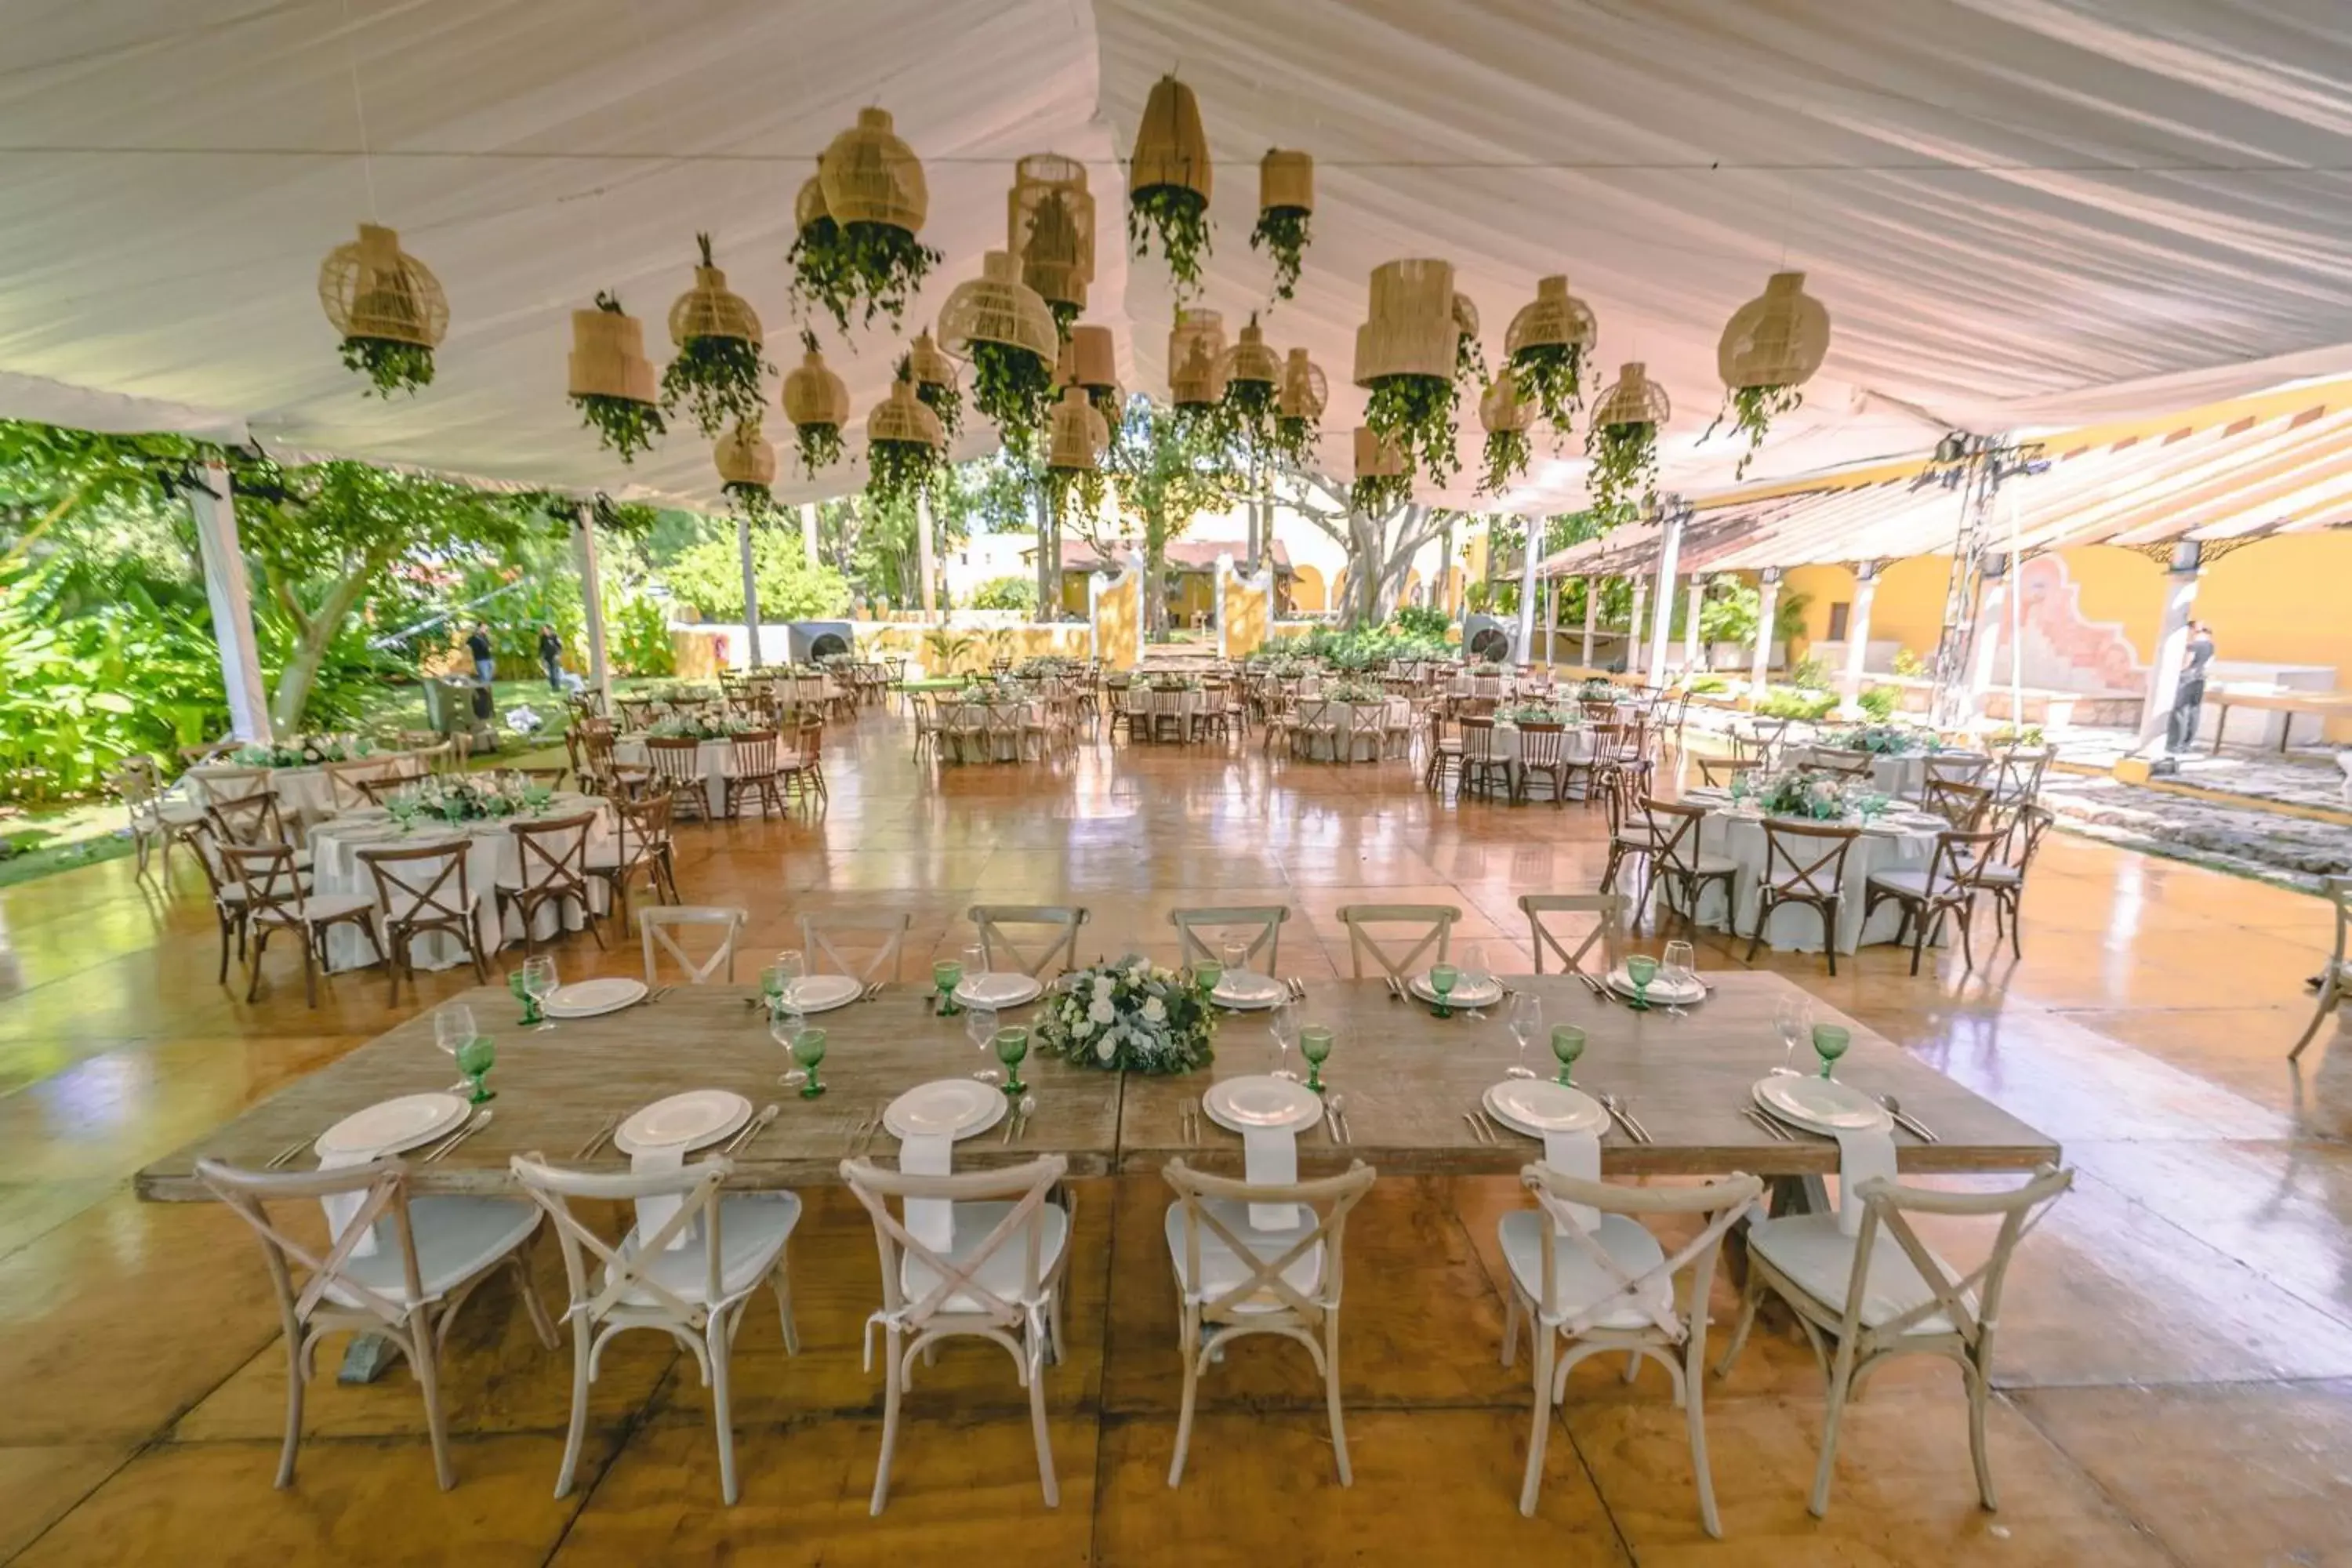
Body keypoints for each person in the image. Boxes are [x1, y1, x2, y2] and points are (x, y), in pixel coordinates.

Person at [2165, 620, 2216, 753]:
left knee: (2180, 711)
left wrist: (2177, 671)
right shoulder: (2210, 646)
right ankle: (2188, 743)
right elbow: (2209, 663)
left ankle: (2175, 744)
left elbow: (2186, 663)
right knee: (2194, 710)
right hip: (2200, 678)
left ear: (2193, 630)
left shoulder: (2193, 646)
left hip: (2187, 679)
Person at [464, 623, 496, 688]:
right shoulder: (472, 638)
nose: (486, 630)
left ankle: (483, 687)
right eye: (484, 628)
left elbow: (489, 646)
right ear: (479, 628)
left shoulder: (484, 637)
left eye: (486, 628)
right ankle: (484, 689)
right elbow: (466, 646)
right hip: (480, 660)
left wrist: (490, 648)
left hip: (488, 658)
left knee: (490, 672)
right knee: (485, 676)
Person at [536, 623, 564, 690]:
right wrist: (539, 656)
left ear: (549, 630)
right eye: (543, 630)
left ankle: (557, 688)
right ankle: (553, 686)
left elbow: (560, 646)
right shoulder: (543, 638)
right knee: (550, 673)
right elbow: (541, 647)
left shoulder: (554, 636)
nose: (544, 631)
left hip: (555, 657)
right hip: (547, 657)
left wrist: (558, 655)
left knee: (554, 672)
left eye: (545, 629)